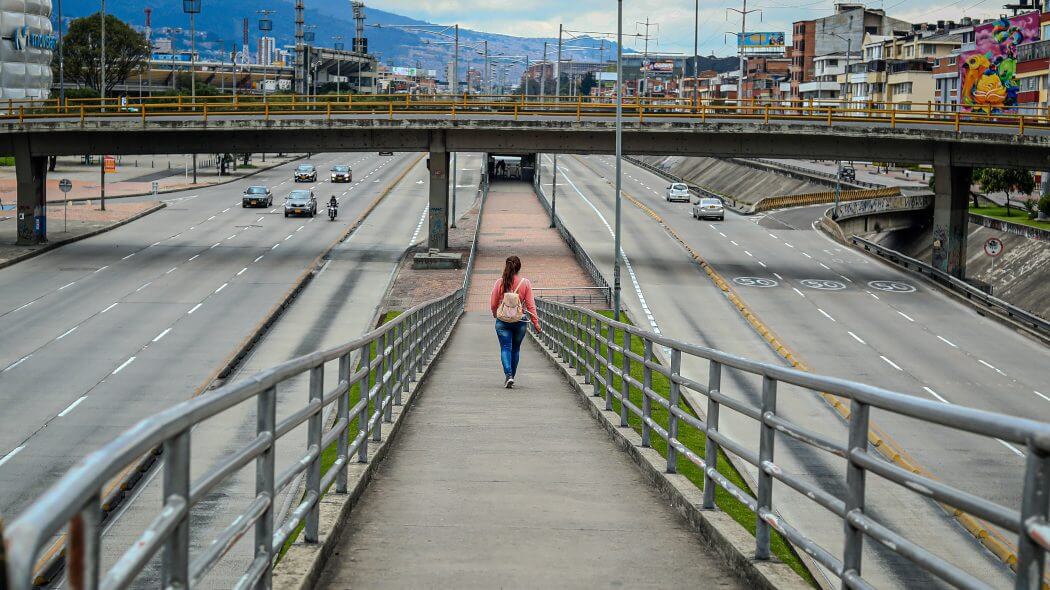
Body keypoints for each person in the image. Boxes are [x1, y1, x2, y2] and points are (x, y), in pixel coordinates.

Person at [490, 255, 540, 389]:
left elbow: (494, 303)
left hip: (503, 321)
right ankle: (512, 376)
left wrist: (495, 313)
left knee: (505, 348)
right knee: (516, 349)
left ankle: (508, 375)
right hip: (520, 320)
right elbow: (530, 305)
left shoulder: (500, 282)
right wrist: (535, 322)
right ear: (519, 268)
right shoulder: (525, 283)